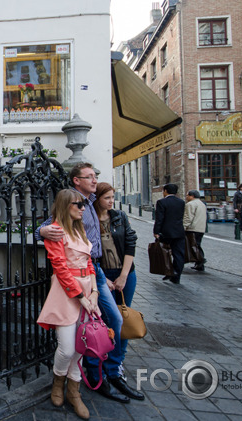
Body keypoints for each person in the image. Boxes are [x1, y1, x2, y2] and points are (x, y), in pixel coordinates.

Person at [36, 163, 129, 403]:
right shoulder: (74, 204)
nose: (95, 180)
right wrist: (42, 231)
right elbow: (50, 228)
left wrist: (97, 288)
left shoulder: (93, 203)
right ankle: (94, 374)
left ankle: (105, 374)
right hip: (77, 281)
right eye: (89, 176)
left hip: (94, 271)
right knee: (96, 329)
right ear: (76, 180)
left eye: (95, 176)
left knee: (106, 323)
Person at [36, 189, 100, 420]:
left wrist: (94, 291)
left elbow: (89, 262)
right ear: (66, 205)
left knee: (81, 346)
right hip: (66, 292)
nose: (83, 208)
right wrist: (81, 296)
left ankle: (74, 392)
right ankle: (58, 381)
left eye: (83, 204)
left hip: (86, 289)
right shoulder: (56, 230)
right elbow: (60, 268)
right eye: (78, 204)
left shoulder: (79, 229)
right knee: (67, 347)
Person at [92, 182, 145, 401]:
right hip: (104, 276)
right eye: (107, 198)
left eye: (112, 197)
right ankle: (101, 368)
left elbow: (131, 243)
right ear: (97, 199)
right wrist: (106, 278)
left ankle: (116, 368)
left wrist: (123, 275)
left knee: (123, 318)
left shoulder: (119, 217)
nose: (111, 201)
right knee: (105, 322)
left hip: (124, 274)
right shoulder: (90, 219)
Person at [153, 183, 186, 284]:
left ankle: (167, 271)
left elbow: (159, 219)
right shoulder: (181, 202)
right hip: (179, 231)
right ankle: (177, 274)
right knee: (179, 254)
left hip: (166, 232)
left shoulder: (162, 202)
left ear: (165, 191)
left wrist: (156, 231)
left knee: (164, 252)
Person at [184, 190, 207, 271]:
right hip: (201, 228)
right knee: (197, 245)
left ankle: (201, 260)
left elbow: (188, 217)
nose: (186, 197)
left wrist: (183, 227)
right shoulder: (202, 204)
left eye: (187, 195)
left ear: (192, 196)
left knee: (193, 245)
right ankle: (199, 263)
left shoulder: (190, 204)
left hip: (193, 228)